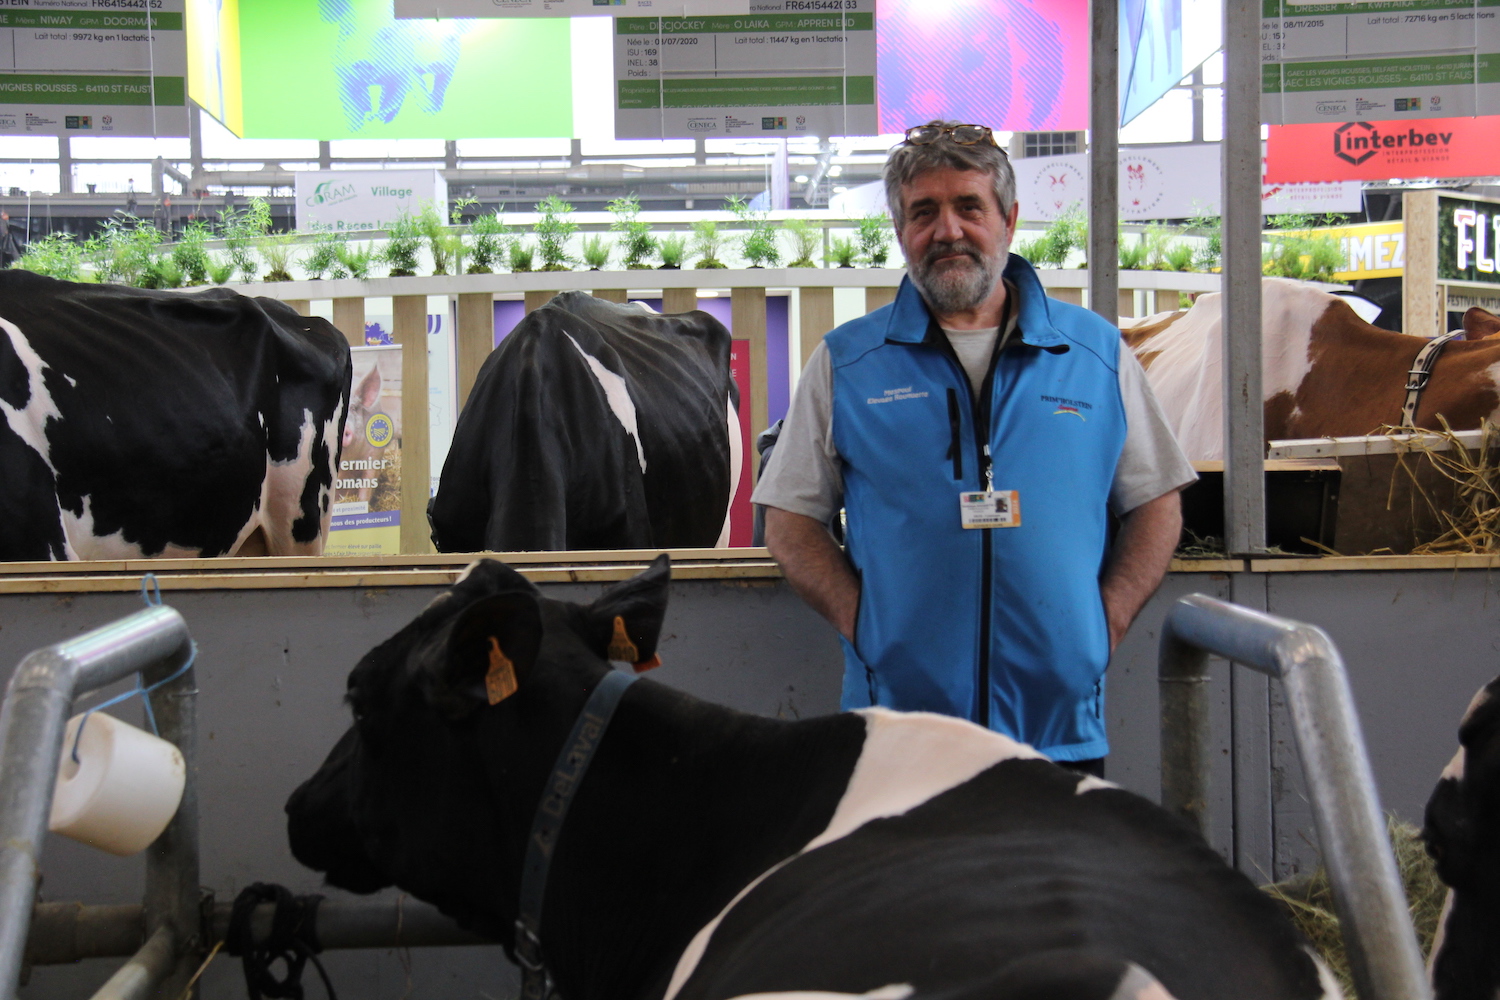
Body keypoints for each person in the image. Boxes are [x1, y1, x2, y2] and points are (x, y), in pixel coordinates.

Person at [752, 121, 1196, 775]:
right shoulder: (849, 363)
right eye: (923, 212)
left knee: (1053, 882)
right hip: (901, 727)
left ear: (1009, 220)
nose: (948, 231)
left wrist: (1105, 623)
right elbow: (789, 520)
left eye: (968, 207)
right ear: (900, 229)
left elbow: (1156, 501)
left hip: (1058, 728)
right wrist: (865, 626)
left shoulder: (1094, 355)